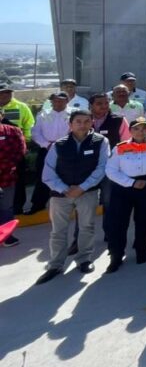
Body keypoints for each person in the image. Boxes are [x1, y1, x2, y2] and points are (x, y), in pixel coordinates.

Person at [34, 112, 109, 283]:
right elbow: (48, 172)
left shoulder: (100, 142)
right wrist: (64, 188)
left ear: (92, 122)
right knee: (58, 231)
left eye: (86, 121)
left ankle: (84, 259)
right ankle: (55, 265)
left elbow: (102, 167)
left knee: (86, 227)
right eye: (78, 121)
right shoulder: (59, 144)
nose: (82, 125)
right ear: (70, 124)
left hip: (87, 192)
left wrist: (82, 187)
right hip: (60, 195)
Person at [104, 117, 146, 269]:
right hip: (124, 186)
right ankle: (116, 255)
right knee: (119, 223)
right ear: (130, 131)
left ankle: (141, 250)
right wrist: (131, 183)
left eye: (144, 128)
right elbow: (110, 170)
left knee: (144, 220)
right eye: (136, 129)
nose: (141, 131)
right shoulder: (120, 147)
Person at [28, 92, 71, 213]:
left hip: (67, 149)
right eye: (55, 100)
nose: (58, 102)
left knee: (66, 176)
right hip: (46, 149)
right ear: (51, 101)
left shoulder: (73, 114)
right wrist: (46, 145)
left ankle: (68, 202)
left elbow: (76, 131)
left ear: (67, 101)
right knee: (42, 176)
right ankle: (38, 205)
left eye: (61, 100)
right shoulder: (43, 114)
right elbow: (36, 132)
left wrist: (64, 145)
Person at [0, 114, 27, 247]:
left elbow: (20, 152)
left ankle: (6, 236)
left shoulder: (13, 131)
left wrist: (3, 167)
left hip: (7, 177)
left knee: (6, 207)